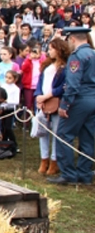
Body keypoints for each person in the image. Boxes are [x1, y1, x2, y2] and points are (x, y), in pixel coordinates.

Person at [48, 27, 95, 185]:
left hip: (79, 99)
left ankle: (68, 174)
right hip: (92, 99)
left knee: (64, 135)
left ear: (73, 39)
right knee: (88, 138)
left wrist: (65, 104)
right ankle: (84, 174)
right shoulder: (93, 54)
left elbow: (73, 84)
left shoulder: (77, 56)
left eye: (69, 40)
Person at [34, 38, 70, 177]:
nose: (49, 51)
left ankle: (54, 161)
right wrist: (39, 96)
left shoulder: (65, 68)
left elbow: (63, 87)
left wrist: (48, 95)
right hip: (43, 102)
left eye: (51, 49)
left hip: (55, 101)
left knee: (56, 133)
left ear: (59, 49)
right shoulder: (46, 65)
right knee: (42, 132)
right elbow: (40, 82)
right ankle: (44, 159)